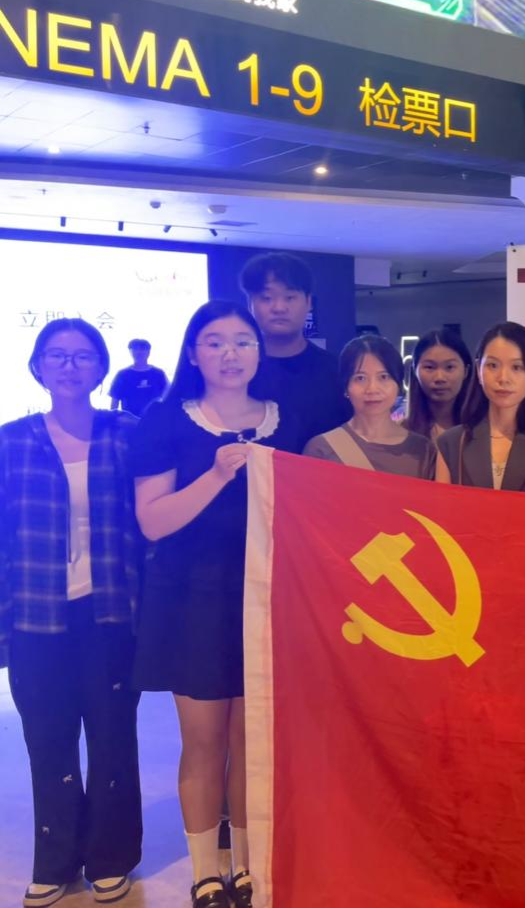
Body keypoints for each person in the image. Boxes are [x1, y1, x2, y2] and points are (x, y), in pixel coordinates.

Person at [131, 301, 301, 908]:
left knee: (252, 743)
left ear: (259, 350)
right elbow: (153, 522)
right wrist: (217, 475)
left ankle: (249, 866)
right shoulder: (165, 420)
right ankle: (206, 871)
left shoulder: (287, 419)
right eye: (215, 342)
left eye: (242, 341)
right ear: (193, 352)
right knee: (203, 741)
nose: (231, 354)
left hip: (267, 601)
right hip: (192, 602)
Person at [1, 320, 143, 908]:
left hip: (111, 613)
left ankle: (110, 857)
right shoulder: (11, 441)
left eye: (83, 356)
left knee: (112, 739)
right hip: (35, 617)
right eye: (56, 355)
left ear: (101, 368)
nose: (69, 366)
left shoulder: (126, 433)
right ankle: (55, 861)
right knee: (48, 740)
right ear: (38, 366)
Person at [436, 322, 525, 495]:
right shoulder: (451, 443)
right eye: (492, 365)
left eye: (516, 367)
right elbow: (442, 509)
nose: (503, 378)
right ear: (478, 369)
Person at [240, 251, 350, 447]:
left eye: (290, 297)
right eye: (266, 298)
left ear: (308, 303)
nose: (279, 307)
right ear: (250, 304)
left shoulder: (336, 371)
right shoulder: (237, 371)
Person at [304, 335, 436, 478]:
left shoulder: (422, 450)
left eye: (383, 377)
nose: (372, 389)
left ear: (398, 384)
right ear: (345, 387)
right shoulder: (321, 449)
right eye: (360, 378)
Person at [403, 327, 473, 443]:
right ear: (415, 370)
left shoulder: (481, 430)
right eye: (429, 367)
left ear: (466, 371)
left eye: (449, 367)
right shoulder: (400, 432)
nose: (440, 378)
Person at [108, 338, 168, 417]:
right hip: (129, 421)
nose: (139, 352)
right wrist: (112, 419)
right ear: (130, 352)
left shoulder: (158, 373)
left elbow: (167, 397)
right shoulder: (122, 374)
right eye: (135, 349)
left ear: (148, 352)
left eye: (143, 349)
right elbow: (114, 401)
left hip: (154, 419)